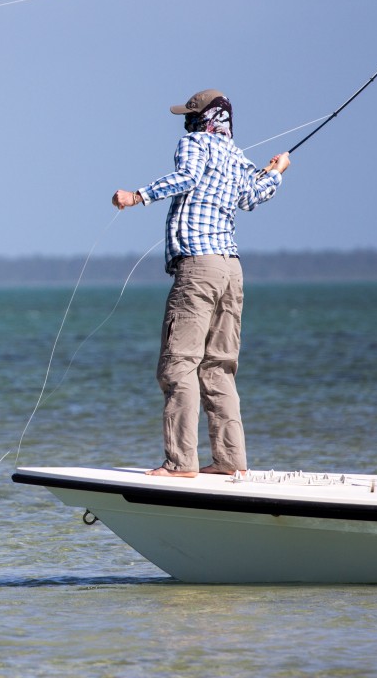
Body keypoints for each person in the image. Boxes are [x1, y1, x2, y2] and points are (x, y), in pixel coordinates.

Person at [111, 89, 290, 478]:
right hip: (231, 270)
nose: (185, 122)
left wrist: (136, 196)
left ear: (203, 119)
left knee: (178, 365)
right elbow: (253, 196)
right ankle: (229, 463)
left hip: (199, 269)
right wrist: (276, 172)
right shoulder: (239, 158)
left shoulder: (194, 143)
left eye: (190, 115)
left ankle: (180, 464)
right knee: (219, 368)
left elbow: (187, 177)